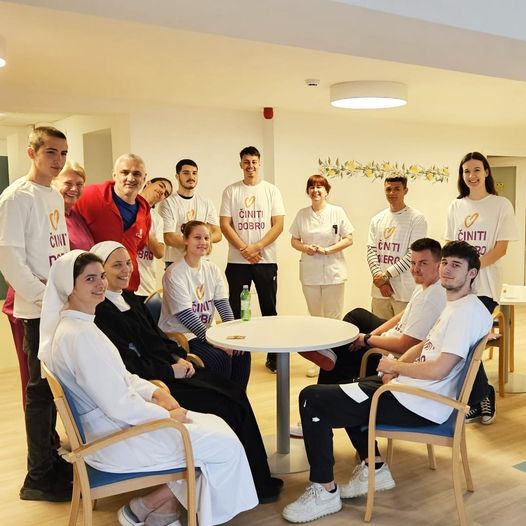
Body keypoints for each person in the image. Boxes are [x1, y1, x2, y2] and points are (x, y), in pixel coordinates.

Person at [38, 250, 258, 526]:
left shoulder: (79, 327)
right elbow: (117, 403)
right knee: (223, 445)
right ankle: (156, 508)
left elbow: (124, 377)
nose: (101, 284)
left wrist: (156, 393)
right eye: (90, 279)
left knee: (215, 427)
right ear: (68, 287)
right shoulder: (79, 337)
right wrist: (165, 417)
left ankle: (154, 511)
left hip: (114, 427)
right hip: (114, 440)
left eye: (101, 277)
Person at [282, 241, 492, 524]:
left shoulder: (464, 313)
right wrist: (394, 369)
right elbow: (424, 345)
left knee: (312, 399)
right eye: (445, 263)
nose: (447, 270)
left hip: (419, 404)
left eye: (456, 265)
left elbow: (441, 368)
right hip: (407, 391)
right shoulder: (458, 305)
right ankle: (375, 468)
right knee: (347, 391)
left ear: (472, 274)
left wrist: (395, 365)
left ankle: (324, 489)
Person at [91, 240, 283, 504]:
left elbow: (158, 337)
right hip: (157, 386)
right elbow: (128, 366)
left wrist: (180, 357)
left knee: (235, 393)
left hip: (172, 371)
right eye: (117, 266)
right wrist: (170, 370)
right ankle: (240, 485)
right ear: (101, 272)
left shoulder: (131, 300)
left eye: (127, 263)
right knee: (224, 404)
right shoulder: (100, 312)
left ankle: (253, 479)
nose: (126, 270)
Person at [0, 126, 71, 501]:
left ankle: (50, 458)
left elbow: (56, 250)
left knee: (51, 390)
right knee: (39, 394)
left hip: (57, 307)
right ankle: (37, 478)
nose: (57, 161)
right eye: (50, 153)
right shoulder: (16, 197)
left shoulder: (53, 195)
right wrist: (45, 298)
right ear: (32, 153)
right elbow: (9, 257)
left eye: (62, 153)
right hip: (37, 311)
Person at [445, 151, 518, 424]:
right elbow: (451, 246)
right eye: (466, 171)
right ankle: (479, 397)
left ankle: (483, 396)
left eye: (477, 170)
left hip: (484, 287)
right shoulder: (456, 206)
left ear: (487, 172)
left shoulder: (501, 205)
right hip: (457, 287)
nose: (472, 176)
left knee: (473, 342)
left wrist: (472, 272)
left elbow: (500, 249)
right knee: (462, 344)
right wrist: (455, 275)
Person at [321, 238, 447, 384]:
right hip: (396, 334)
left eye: (423, 263)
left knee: (344, 353)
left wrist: (366, 340)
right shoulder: (425, 283)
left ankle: (328, 375)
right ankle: (330, 355)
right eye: (413, 263)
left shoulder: (430, 300)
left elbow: (405, 346)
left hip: (393, 354)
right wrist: (370, 335)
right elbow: (403, 315)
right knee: (357, 316)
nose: (415, 269)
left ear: (438, 265)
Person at [160, 221, 251, 388]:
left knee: (242, 352)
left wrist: (229, 336)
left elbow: (223, 305)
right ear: (186, 240)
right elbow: (186, 317)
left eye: (206, 238)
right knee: (219, 358)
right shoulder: (174, 273)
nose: (203, 242)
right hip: (183, 335)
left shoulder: (212, 269)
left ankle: (237, 401)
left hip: (208, 332)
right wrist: (215, 341)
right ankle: (219, 403)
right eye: (197, 237)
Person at [220, 146, 285, 373]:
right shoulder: (231, 191)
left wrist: (256, 247)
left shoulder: (271, 191)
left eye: (254, 162)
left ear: (259, 163)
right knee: (236, 311)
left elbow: (278, 224)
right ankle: (239, 355)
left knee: (269, 309)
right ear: (240, 164)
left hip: (265, 260)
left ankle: (274, 357)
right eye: (246, 162)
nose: (250, 166)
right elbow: (225, 224)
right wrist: (243, 249)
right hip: (237, 262)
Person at [75, 153, 151, 291]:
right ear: (114, 175)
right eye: (124, 172)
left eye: (137, 174)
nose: (131, 178)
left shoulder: (144, 210)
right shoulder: (90, 196)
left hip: (127, 286)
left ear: (144, 178)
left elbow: (138, 246)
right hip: (94, 287)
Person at [367, 176, 427, 320]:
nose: (392, 193)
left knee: (402, 334)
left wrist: (386, 276)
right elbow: (371, 251)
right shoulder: (377, 219)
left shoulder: (417, 218)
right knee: (379, 333)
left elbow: (413, 254)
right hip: (379, 290)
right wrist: (381, 281)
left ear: (405, 190)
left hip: (404, 291)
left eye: (397, 189)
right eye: (388, 189)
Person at [158, 159, 221, 267]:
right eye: (186, 173)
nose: (191, 177)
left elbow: (218, 234)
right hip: (176, 262)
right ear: (177, 176)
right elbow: (169, 238)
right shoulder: (167, 203)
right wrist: (201, 242)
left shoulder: (206, 202)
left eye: (194, 173)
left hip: (203, 263)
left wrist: (197, 242)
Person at [136, 177, 173, 300]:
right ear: (148, 183)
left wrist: (142, 227)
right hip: (122, 286)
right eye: (161, 186)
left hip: (146, 287)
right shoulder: (126, 207)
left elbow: (160, 252)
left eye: (166, 194)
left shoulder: (157, 219)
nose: (162, 192)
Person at [52, 160, 94, 250]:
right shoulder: (50, 217)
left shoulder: (77, 215)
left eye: (79, 184)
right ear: (53, 183)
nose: (74, 189)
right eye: (68, 183)